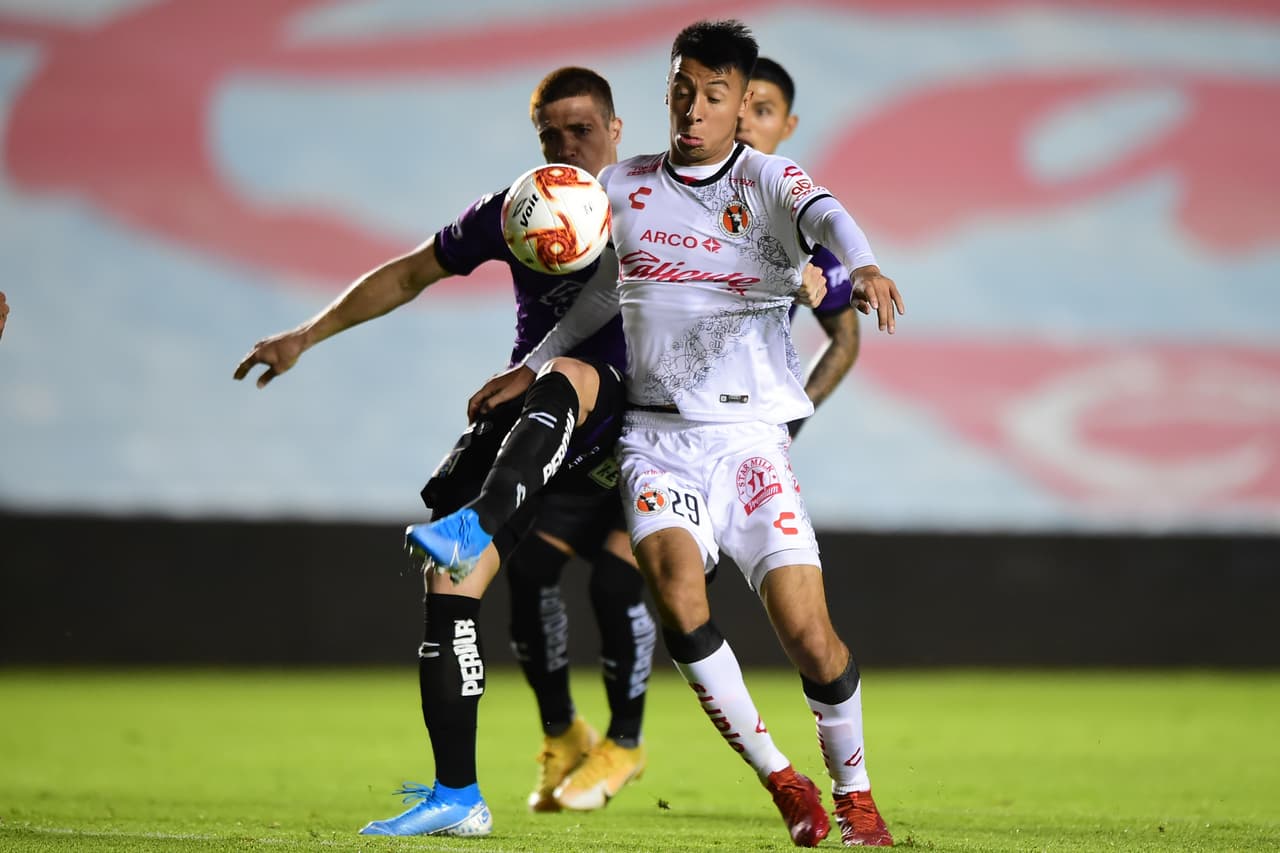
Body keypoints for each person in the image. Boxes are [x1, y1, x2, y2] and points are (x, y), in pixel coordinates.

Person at [412, 20, 904, 847]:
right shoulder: (628, 188)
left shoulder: (773, 180)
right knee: (677, 593)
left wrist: (865, 266)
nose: (694, 108)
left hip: (748, 442)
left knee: (810, 637)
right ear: (667, 91)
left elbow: (830, 217)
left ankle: (853, 790)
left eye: (714, 96)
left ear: (741, 102)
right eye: (682, 90)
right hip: (654, 439)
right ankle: (783, 778)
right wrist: (532, 364)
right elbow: (602, 299)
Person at [235, 67, 660, 834]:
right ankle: (459, 794)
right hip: (540, 426)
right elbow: (409, 273)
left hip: (624, 421)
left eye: (583, 130)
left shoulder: (650, 206)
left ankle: (638, 742)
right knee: (451, 580)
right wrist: (306, 334)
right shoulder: (512, 212)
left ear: (617, 129)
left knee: (633, 576)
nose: (567, 145)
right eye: (550, 134)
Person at [735, 57, 860, 438]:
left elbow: (845, 338)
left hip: (745, 428)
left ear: (788, 126)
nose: (745, 122)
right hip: (653, 418)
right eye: (736, 106)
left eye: (763, 110)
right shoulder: (662, 193)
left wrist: (791, 421)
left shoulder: (802, 218)